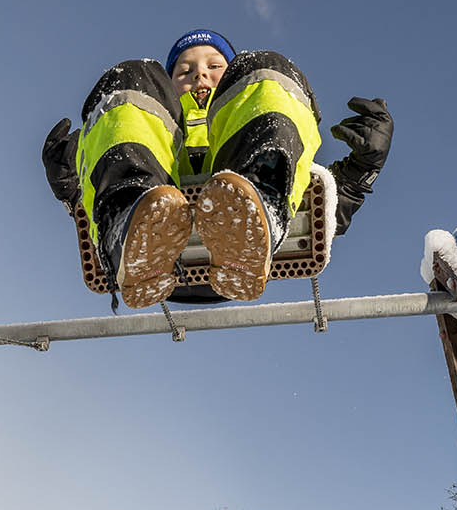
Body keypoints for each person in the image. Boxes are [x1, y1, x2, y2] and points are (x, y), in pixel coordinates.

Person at [42, 29, 393, 308]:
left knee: (265, 66)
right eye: (184, 71)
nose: (200, 77)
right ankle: (131, 225)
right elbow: (87, 204)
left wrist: (365, 166)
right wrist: (71, 188)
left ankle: (260, 207)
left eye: (214, 67)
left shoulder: (245, 118)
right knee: (131, 76)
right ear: (167, 86)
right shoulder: (154, 123)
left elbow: (315, 205)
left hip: (243, 261)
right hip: (151, 260)